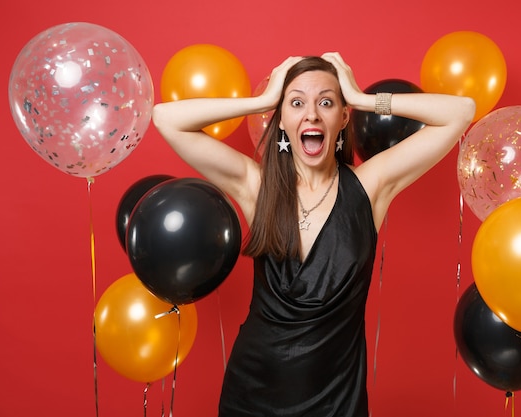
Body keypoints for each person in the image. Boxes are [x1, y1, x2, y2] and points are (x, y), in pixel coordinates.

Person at [152, 52, 475, 417]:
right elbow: (166, 118)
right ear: (282, 120)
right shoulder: (256, 185)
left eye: (326, 102)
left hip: (335, 398)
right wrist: (261, 101)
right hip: (252, 392)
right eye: (296, 103)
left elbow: (460, 112)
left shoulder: (370, 186)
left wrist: (364, 98)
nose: (311, 114)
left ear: (342, 118)